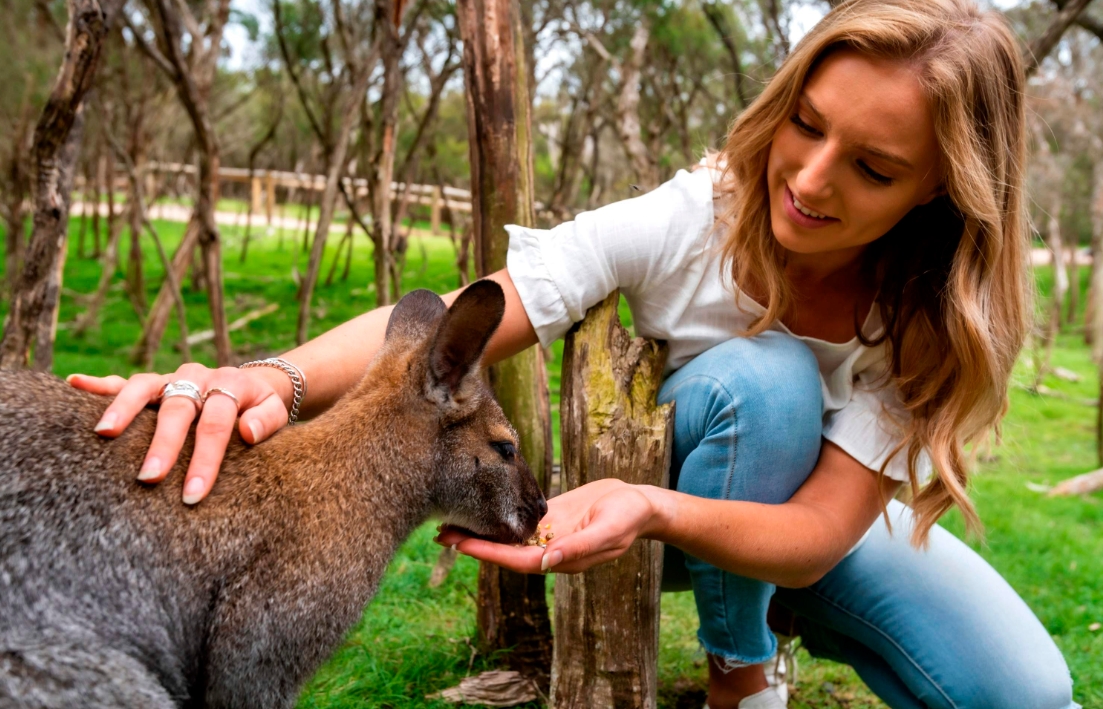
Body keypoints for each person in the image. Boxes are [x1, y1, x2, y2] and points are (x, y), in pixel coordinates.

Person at [68, 0, 1081, 707]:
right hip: (646, 518)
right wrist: (265, 378)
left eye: (869, 167)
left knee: (1027, 692)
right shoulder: (699, 216)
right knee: (761, 380)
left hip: (799, 527)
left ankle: (768, 621)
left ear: (936, 192)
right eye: (804, 126)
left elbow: (820, 529)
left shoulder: (925, 318)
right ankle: (739, 669)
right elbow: (478, 312)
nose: (808, 182)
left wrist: (666, 509)